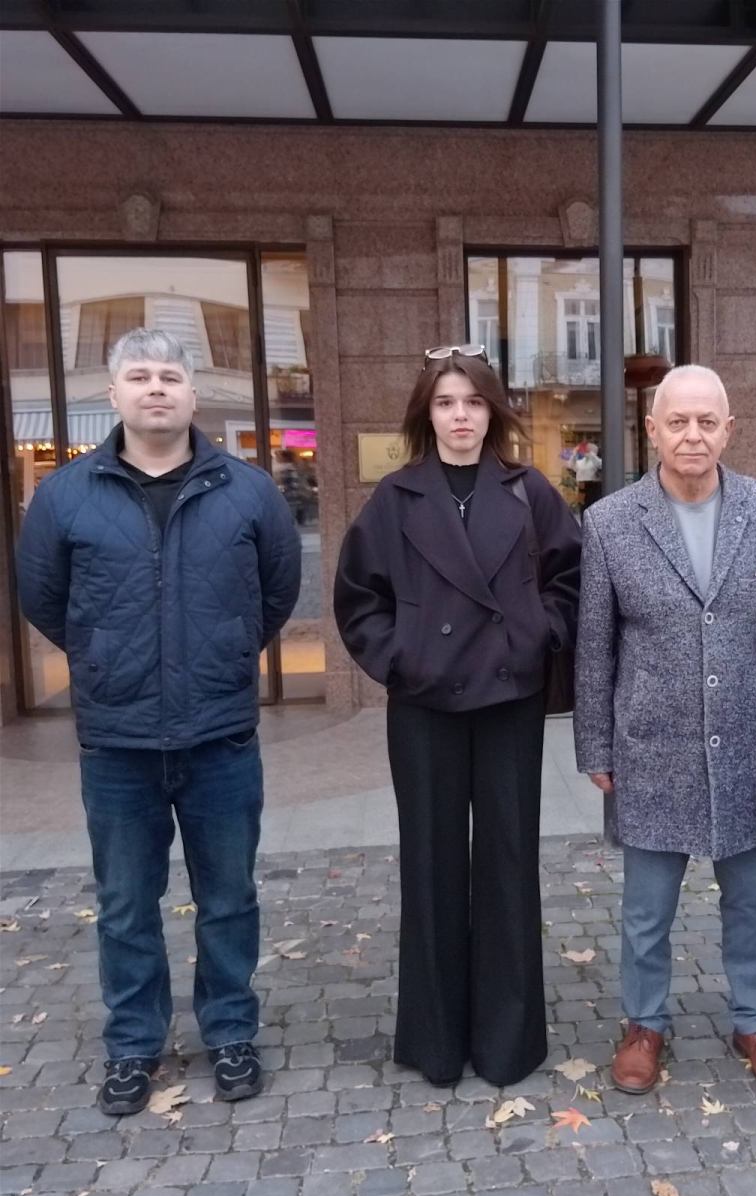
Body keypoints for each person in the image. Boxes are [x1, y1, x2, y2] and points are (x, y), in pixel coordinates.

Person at [16, 327, 301, 1116]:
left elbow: (277, 590)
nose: (155, 389)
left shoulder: (247, 491)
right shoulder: (66, 495)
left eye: (169, 376)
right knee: (124, 906)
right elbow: (43, 596)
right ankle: (134, 1046)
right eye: (138, 376)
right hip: (118, 741)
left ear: (192, 394)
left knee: (229, 898)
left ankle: (231, 1033)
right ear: (113, 394)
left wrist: (227, 650)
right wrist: (104, 655)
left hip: (220, 736)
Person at [334, 344, 580, 1088]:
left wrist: (535, 636)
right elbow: (359, 597)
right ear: (427, 414)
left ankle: (508, 1042)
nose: (461, 416)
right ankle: (436, 1042)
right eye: (446, 403)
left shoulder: (529, 491)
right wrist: (404, 658)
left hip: (509, 702)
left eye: (473, 402)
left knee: (509, 864)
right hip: (424, 705)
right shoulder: (395, 498)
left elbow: (572, 578)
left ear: (492, 412)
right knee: (431, 864)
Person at [574, 364, 756, 1096]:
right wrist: (596, 744)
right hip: (650, 747)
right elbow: (594, 647)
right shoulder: (609, 522)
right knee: (647, 910)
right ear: (653, 431)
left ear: (729, 430)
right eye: (678, 421)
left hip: (743, 740)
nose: (693, 435)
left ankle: (755, 1022)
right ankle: (644, 1024)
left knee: (750, 902)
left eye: (707, 422)